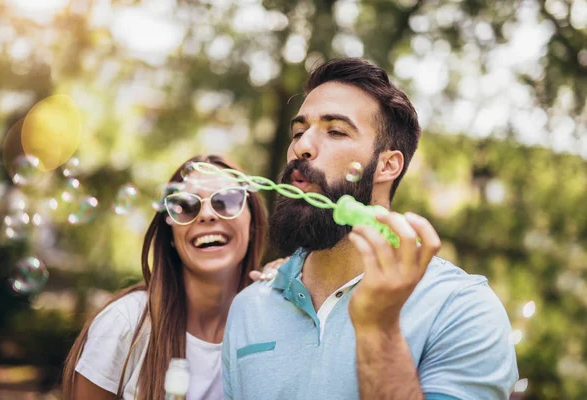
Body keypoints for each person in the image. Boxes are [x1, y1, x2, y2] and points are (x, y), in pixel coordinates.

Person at [222, 58, 519, 400]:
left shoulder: (461, 309)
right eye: (298, 132)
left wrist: (379, 326)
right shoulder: (249, 308)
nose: (301, 147)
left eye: (335, 131)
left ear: (388, 165)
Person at [62, 154, 282, 400]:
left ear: (252, 225)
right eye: (186, 206)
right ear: (170, 234)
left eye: (227, 201)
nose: (207, 214)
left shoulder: (274, 322)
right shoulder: (125, 324)